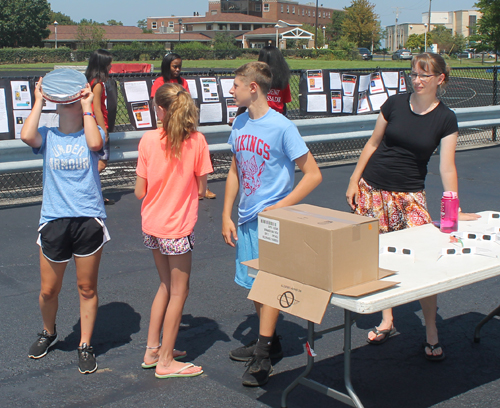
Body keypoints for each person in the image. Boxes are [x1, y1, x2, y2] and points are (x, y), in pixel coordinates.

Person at [345, 52, 480, 361]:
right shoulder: (394, 104)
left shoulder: (445, 118)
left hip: (410, 196)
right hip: (373, 190)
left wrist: (453, 208)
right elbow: (373, 143)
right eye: (413, 74)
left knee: (424, 263)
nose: (417, 81)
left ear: (440, 79)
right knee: (377, 257)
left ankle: (431, 330)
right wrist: (354, 180)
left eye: (424, 75)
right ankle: (387, 319)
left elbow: (447, 167)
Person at [222, 61, 322, 386]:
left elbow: (313, 174)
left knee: (269, 285)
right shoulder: (238, 124)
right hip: (247, 218)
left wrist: (279, 207)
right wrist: (226, 214)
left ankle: (263, 354)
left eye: (235, 85)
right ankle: (271, 339)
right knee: (253, 285)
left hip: (272, 222)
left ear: (253, 88)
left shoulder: (282, 127)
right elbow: (235, 172)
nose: (230, 90)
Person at [22, 77, 109, 374]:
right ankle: (49, 332)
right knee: (49, 290)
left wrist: (87, 105)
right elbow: (26, 135)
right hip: (54, 220)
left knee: (86, 288)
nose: (68, 101)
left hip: (87, 218)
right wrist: (39, 100)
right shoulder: (48, 135)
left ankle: (84, 344)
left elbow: (96, 143)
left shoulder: (92, 131)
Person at [135, 83, 213, 379]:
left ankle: (154, 348)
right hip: (178, 227)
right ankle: (166, 360)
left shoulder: (147, 140)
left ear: (160, 109)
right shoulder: (197, 142)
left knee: (166, 285)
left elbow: (140, 191)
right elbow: (203, 189)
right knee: (180, 290)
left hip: (152, 224)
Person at [151, 53, 216, 200]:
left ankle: (199, 187)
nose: (178, 69)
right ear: (167, 66)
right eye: (175, 66)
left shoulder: (183, 82)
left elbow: (186, 103)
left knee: (189, 154)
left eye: (179, 66)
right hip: (166, 122)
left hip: (183, 121)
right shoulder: (159, 82)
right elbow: (158, 105)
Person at [85, 49, 115, 205]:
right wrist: (104, 130)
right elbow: (97, 108)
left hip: (90, 126)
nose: (111, 66)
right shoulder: (97, 84)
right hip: (97, 126)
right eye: (109, 63)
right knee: (101, 163)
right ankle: (84, 189)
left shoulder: (89, 81)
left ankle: (94, 193)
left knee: (95, 162)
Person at [258, 45, 291, 115]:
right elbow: (285, 100)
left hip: (261, 114)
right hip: (279, 114)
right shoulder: (283, 78)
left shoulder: (256, 78)